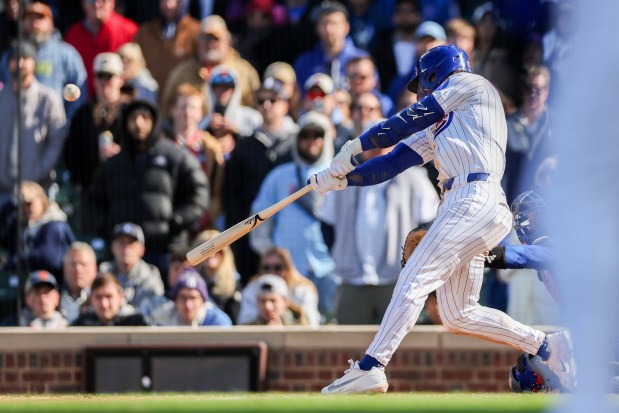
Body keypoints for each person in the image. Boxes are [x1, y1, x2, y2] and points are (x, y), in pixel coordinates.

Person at [311, 44, 576, 394]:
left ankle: (371, 365)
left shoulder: (470, 85)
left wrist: (353, 146)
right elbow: (393, 161)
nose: (421, 88)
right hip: (468, 203)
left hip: (473, 195)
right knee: (457, 313)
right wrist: (344, 178)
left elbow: (398, 126)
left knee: (415, 278)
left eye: (423, 81)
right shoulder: (445, 123)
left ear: (436, 72)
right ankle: (545, 346)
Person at [83, 99, 208, 276]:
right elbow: (93, 201)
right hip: (124, 253)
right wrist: (107, 229)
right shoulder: (113, 164)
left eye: (145, 118)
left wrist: (178, 220)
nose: (139, 123)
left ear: (154, 122)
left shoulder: (175, 156)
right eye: (133, 118)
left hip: (165, 250)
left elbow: (199, 192)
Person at [317, 143, 438, 325]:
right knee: (349, 343)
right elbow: (327, 225)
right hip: (352, 279)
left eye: (384, 144)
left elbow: (429, 222)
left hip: (398, 280)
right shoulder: (343, 181)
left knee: (401, 344)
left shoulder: (414, 178)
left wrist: (413, 260)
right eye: (371, 144)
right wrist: (340, 254)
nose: (377, 149)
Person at [249, 111, 337, 317]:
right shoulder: (279, 176)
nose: (311, 141)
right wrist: (271, 256)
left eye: (317, 135)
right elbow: (259, 219)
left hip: (328, 267)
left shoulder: (340, 176)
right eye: (305, 136)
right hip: (287, 272)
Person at [223, 78, 297, 283]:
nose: (266, 105)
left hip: (290, 231)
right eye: (261, 100)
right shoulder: (244, 146)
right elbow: (232, 196)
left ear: (285, 104)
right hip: (252, 234)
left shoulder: (298, 142)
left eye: (272, 99)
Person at [0, 42, 67, 199]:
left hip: (38, 188)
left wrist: (36, 172)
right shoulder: (2, 98)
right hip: (3, 187)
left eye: (25, 58)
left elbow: (56, 142)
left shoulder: (48, 99)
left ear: (34, 63)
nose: (20, 63)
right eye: (16, 59)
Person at [0, 2, 88, 118]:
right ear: (22, 23)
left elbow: (80, 91)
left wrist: (67, 126)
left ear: (51, 23)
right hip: (19, 129)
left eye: (40, 18)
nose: (35, 23)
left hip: (56, 127)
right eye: (29, 18)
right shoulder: (11, 56)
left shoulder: (66, 54)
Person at [160, 14, 260, 116]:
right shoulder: (182, 73)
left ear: (228, 41)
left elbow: (256, 108)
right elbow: (166, 110)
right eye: (206, 38)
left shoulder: (244, 73)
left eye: (216, 39)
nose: (210, 43)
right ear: (198, 41)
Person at [166, 83, 225, 229]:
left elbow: (217, 188)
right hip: (169, 218)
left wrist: (212, 213)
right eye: (183, 106)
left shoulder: (211, 148)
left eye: (192, 108)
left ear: (201, 113)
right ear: (173, 110)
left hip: (202, 221)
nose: (187, 112)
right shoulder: (162, 144)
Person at [63, 52, 125, 191]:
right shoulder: (83, 114)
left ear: (121, 79)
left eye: (109, 76)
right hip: (91, 191)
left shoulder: (131, 112)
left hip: (124, 190)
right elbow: (71, 152)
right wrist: (79, 181)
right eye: (100, 76)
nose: (104, 81)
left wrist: (121, 152)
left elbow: (143, 148)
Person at [0, 181, 75, 282]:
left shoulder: (55, 224)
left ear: (41, 200)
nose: (25, 208)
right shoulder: (25, 226)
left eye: (29, 203)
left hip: (53, 285)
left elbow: (48, 258)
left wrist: (14, 261)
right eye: (22, 205)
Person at [65, 0, 137, 97]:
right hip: (82, 103)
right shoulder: (73, 35)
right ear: (83, 3)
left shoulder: (130, 32)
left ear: (113, 2)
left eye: (103, 0)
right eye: (91, 0)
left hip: (120, 103)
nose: (97, 4)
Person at [293, 0, 367, 92]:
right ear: (317, 28)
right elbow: (297, 99)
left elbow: (375, 98)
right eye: (324, 23)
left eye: (334, 23)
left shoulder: (362, 61)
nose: (329, 29)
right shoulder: (304, 62)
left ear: (346, 27)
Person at [133, 0, 201, 98]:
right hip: (150, 99)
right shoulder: (145, 34)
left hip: (182, 103)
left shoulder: (196, 32)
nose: (169, 5)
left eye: (175, 1)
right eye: (164, 0)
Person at [238, 246, 320, 327]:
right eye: (266, 268)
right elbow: (244, 323)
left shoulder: (302, 290)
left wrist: (283, 329)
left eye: (278, 268)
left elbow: (310, 324)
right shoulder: (253, 288)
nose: (271, 272)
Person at [99, 222, 165, 311]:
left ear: (142, 250)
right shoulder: (103, 272)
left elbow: (155, 311)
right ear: (112, 247)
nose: (125, 248)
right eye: (121, 242)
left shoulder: (150, 276)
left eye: (131, 243)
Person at [148, 267, 232, 327]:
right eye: (183, 297)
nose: (188, 304)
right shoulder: (162, 318)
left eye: (193, 298)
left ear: (202, 300)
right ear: (175, 300)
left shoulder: (217, 322)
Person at [192, 229, 241, 323]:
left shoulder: (234, 282)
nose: (211, 254)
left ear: (224, 253)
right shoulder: (190, 280)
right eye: (205, 249)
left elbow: (235, 319)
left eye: (217, 249)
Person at [70, 273, 149, 326]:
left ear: (120, 297)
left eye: (109, 297)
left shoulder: (136, 323)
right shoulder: (82, 325)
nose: (104, 304)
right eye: (98, 297)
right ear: (91, 299)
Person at [243, 274, 308, 326]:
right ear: (257, 303)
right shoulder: (247, 330)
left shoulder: (302, 326)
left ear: (285, 302)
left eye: (273, 300)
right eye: (263, 301)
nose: (268, 307)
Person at [60, 241, 98, 323]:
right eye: (73, 264)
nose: (78, 269)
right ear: (64, 268)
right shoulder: (54, 300)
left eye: (83, 264)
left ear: (95, 269)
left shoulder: (104, 300)